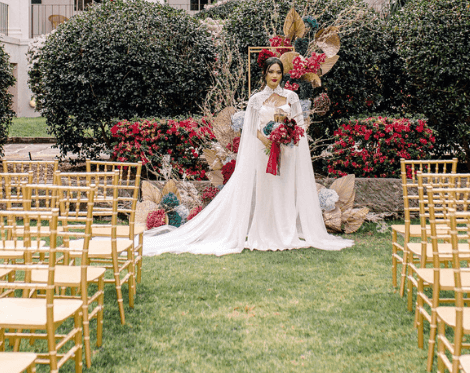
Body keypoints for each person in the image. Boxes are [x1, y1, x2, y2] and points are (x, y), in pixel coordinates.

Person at [143, 57, 353, 256]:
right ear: (264, 74)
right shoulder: (256, 99)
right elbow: (251, 128)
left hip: (286, 153)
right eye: (271, 72)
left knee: (285, 191)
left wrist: (287, 137)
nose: (274, 76)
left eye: (278, 72)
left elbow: (298, 126)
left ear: (282, 75)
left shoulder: (291, 97)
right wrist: (266, 140)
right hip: (264, 153)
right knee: (266, 191)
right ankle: (263, 232)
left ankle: (286, 232)